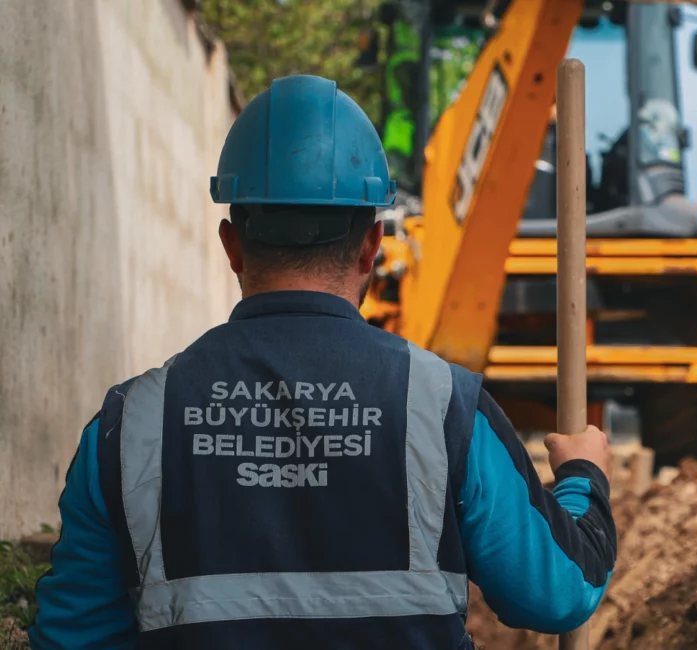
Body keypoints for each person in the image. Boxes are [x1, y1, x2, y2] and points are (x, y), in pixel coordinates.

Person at [29, 74, 616, 649]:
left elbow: (72, 633)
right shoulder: (442, 407)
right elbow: (558, 593)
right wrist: (582, 478)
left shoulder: (128, 425)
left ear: (231, 246)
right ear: (371, 245)